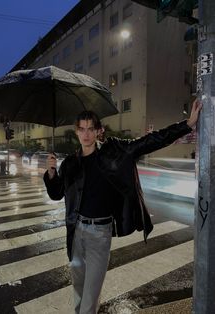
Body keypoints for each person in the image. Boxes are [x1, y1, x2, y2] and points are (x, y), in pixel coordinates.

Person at [43, 99, 202, 314]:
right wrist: (51, 173)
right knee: (79, 291)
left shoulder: (114, 151)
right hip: (76, 232)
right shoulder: (70, 163)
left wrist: (187, 124)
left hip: (100, 233)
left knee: (90, 297)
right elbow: (56, 194)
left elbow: (150, 141)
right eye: (82, 129)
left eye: (91, 129)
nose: (86, 134)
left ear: (99, 131)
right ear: (76, 132)